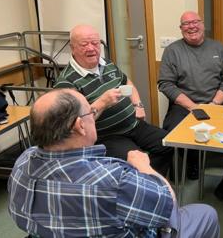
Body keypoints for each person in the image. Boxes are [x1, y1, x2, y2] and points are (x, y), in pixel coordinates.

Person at [8, 89, 219, 238]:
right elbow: (167, 202)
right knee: (205, 213)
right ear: (80, 125)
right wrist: (144, 167)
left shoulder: (22, 162)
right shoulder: (113, 180)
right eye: (91, 112)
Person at [158, 11, 223, 212]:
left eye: (195, 22)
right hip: (185, 105)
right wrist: (193, 107)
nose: (191, 27)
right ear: (181, 29)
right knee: (172, 132)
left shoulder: (217, 47)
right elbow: (165, 83)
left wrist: (215, 104)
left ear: (202, 24)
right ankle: (191, 162)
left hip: (216, 102)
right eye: (185, 24)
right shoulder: (173, 51)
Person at [54, 24, 172, 176]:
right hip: (108, 136)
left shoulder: (107, 64)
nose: (91, 48)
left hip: (133, 124)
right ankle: (143, 185)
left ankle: (151, 181)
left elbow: (127, 81)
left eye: (95, 43)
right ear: (72, 48)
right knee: (134, 162)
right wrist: (102, 102)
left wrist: (138, 105)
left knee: (167, 143)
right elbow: (75, 124)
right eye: (84, 44)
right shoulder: (66, 82)